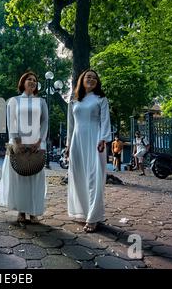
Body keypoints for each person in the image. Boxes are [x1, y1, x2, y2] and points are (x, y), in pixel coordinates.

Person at [65, 69, 112, 233]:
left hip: (95, 141)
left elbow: (106, 120)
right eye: (88, 77)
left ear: (97, 82)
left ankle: (93, 218)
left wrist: (103, 139)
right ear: (81, 80)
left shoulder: (101, 99)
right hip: (77, 142)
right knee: (78, 177)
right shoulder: (74, 100)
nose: (91, 79)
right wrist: (67, 145)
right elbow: (71, 125)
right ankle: (83, 212)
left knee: (94, 178)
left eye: (94, 77)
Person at [0, 71, 48, 224]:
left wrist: (40, 141)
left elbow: (45, 122)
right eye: (29, 79)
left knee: (34, 176)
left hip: (35, 144)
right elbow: (10, 121)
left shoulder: (41, 102)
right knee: (19, 177)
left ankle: (33, 211)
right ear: (23, 82)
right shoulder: (14, 101)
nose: (32, 82)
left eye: (34, 80)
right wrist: (16, 141)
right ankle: (21, 211)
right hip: (18, 143)